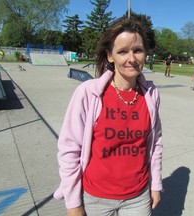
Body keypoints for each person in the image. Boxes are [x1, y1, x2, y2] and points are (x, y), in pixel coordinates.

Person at [54, 16, 163, 216]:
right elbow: (69, 149)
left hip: (137, 197)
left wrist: (155, 183)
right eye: (122, 51)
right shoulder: (88, 93)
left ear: (145, 53)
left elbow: (155, 144)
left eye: (137, 50)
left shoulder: (151, 94)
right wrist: (73, 203)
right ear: (110, 55)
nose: (131, 58)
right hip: (96, 198)